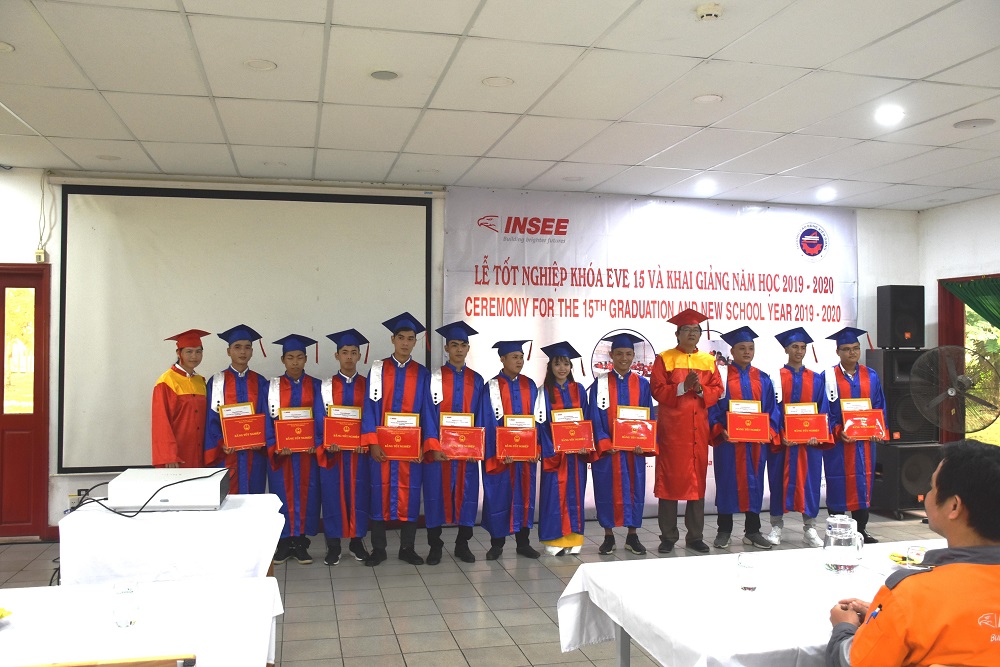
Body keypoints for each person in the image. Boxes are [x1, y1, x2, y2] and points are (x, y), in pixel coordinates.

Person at [827, 439, 1000, 667]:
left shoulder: (911, 595)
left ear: (954, 507)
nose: (927, 495)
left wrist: (844, 627)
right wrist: (888, 616)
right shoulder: (908, 602)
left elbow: (853, 662)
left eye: (932, 488)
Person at [360, 312, 440, 567]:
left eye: (411, 338)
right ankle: (379, 549)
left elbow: (428, 411)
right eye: (401, 338)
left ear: (415, 342)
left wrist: (424, 445)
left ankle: (408, 548)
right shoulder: (377, 370)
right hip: (382, 448)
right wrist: (372, 442)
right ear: (392, 339)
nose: (406, 343)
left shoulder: (422, 373)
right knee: (378, 493)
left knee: (410, 496)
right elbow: (369, 407)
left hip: (410, 449)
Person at [650, 309, 724, 554]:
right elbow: (657, 389)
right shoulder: (665, 358)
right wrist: (682, 386)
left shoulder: (708, 361)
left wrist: (700, 389)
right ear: (677, 334)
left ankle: (695, 536)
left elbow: (718, 389)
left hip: (697, 431)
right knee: (670, 481)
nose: (692, 334)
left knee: (696, 482)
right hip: (672, 431)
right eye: (687, 330)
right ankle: (668, 536)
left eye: (696, 330)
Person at [708, 326, 780, 550]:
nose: (747, 352)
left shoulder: (763, 378)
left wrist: (769, 431)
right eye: (742, 348)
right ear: (732, 351)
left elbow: (772, 410)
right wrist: (720, 429)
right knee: (727, 482)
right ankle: (724, 530)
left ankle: (752, 531)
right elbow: (712, 408)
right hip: (729, 443)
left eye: (751, 348)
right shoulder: (721, 377)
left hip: (755, 444)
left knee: (754, 483)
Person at [426, 321, 488, 565]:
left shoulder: (477, 380)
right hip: (439, 453)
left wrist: (476, 447)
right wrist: (433, 446)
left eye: (463, 345)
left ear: (468, 348)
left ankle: (463, 544)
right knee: (435, 496)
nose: (459, 349)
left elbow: (481, 416)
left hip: (467, 454)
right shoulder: (434, 378)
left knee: (467, 496)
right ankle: (435, 545)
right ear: (446, 348)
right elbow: (428, 413)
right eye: (454, 345)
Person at [588, 333, 654, 556]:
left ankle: (632, 536)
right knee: (605, 489)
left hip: (633, 451)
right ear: (611, 355)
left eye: (628, 354)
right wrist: (605, 442)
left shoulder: (642, 384)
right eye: (619, 354)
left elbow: (648, 416)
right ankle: (608, 536)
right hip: (609, 452)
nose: (624, 358)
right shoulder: (600, 383)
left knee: (635, 489)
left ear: (634, 356)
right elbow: (594, 416)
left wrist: (643, 441)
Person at [767, 327, 831, 547]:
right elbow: (771, 409)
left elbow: (823, 410)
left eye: (803, 347)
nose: (799, 351)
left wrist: (817, 434)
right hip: (783, 443)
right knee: (778, 482)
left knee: (810, 482)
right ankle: (776, 526)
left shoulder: (816, 379)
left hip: (808, 445)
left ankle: (810, 529)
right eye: (795, 347)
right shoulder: (775, 378)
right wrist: (780, 435)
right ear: (786, 349)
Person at [822, 327, 887, 544]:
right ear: (838, 352)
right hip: (839, 443)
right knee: (838, 482)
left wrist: (878, 430)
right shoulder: (828, 377)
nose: (852, 352)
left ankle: (861, 530)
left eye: (856, 348)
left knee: (863, 482)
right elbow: (824, 410)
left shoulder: (871, 375)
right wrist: (838, 430)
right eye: (847, 349)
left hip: (865, 443)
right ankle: (837, 530)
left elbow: (879, 406)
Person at [481, 340, 542, 560]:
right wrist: (499, 451)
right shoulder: (491, 386)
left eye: (521, 357)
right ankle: (496, 544)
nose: (519, 361)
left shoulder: (530, 385)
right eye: (514, 357)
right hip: (502, 457)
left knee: (524, 496)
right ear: (502, 359)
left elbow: (538, 420)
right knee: (499, 497)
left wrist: (536, 447)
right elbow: (486, 421)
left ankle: (523, 543)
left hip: (525, 457)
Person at [267, 334, 323, 565]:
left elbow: (321, 418)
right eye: (290, 357)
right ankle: (283, 543)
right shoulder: (271, 387)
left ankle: (300, 543)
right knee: (281, 493)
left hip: (308, 455)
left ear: (306, 359)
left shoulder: (317, 386)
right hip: (283, 455)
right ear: (283, 360)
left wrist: (317, 443)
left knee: (307, 494)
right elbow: (267, 420)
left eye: (300, 357)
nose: (295, 362)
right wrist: (276, 445)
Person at [317, 328, 372, 566]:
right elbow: (320, 419)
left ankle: (357, 542)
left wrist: (365, 443)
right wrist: (327, 443)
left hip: (360, 455)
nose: (349, 357)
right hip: (335, 455)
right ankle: (334, 545)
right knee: (332, 496)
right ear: (337, 355)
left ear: (359, 356)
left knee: (360, 496)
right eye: (345, 352)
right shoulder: (325, 386)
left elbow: (372, 418)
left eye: (353, 352)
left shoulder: (369, 386)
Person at [537, 341, 591, 556]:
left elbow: (587, 419)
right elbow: (540, 424)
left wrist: (585, 444)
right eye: (558, 364)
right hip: (555, 454)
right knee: (553, 496)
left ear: (571, 367)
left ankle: (574, 539)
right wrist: (552, 448)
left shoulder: (579, 390)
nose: (562, 368)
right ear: (550, 366)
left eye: (566, 364)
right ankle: (554, 541)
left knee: (575, 494)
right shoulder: (542, 392)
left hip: (576, 456)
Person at [204, 324, 269, 495]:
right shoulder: (217, 381)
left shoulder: (260, 381)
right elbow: (211, 419)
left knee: (253, 498)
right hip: (226, 455)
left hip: (254, 456)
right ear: (228, 351)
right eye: (237, 347)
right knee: (227, 500)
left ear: (252, 351)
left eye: (247, 347)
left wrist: (261, 441)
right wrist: (221, 442)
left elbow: (266, 419)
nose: (242, 352)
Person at [152, 329, 210, 468]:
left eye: (198, 351)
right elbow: (161, 422)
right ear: (179, 353)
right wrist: (169, 455)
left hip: (199, 452)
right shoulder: (166, 381)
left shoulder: (200, 381)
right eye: (189, 351)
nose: (194, 356)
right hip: (177, 455)